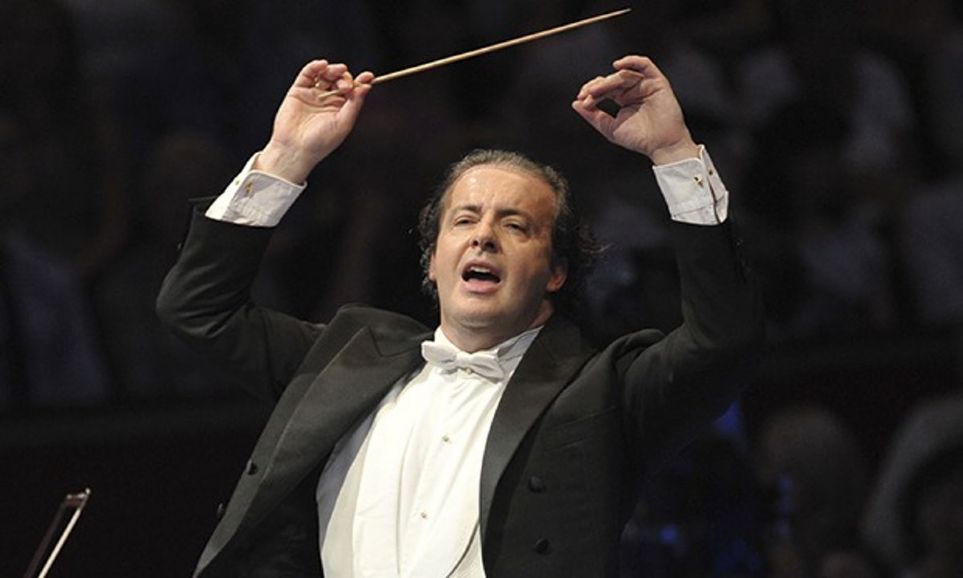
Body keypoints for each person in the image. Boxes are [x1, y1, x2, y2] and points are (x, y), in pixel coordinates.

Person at [157, 55, 763, 577]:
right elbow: (198, 307)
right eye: (465, 219)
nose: (483, 237)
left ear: (556, 271)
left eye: (515, 225)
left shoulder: (603, 391)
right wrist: (285, 157)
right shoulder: (344, 360)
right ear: (432, 259)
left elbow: (722, 339)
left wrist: (674, 154)